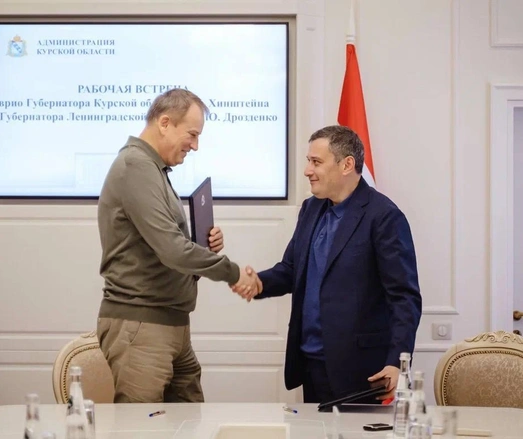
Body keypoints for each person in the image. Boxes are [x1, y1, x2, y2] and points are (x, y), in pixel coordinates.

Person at [97, 88, 259, 403]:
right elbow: (172, 251)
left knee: (190, 420)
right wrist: (233, 272)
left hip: (170, 322)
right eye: (192, 135)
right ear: (165, 123)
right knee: (141, 426)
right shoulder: (135, 166)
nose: (195, 146)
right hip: (142, 326)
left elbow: (164, 249)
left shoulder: (153, 169)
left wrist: (203, 246)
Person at [241, 125, 421, 404]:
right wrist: (259, 283)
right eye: (308, 161)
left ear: (346, 164)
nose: (307, 171)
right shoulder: (311, 208)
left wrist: (398, 363)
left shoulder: (384, 216)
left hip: (360, 370)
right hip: (310, 362)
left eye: (316, 162)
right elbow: (292, 269)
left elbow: (404, 297)